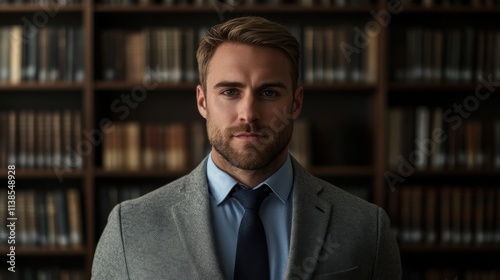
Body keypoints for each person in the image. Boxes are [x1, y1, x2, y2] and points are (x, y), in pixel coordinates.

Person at [91, 16, 402, 280]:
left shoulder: (366, 227)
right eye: (230, 91)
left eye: (268, 92)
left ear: (295, 103)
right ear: (202, 101)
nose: (249, 114)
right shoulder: (129, 227)